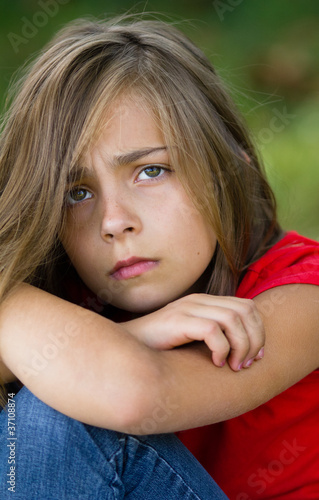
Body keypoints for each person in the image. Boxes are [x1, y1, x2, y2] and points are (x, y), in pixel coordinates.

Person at [0, 15, 318, 499]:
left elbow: (127, 393)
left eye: (151, 170)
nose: (113, 221)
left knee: (60, 403)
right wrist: (135, 333)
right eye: (76, 193)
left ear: (230, 166)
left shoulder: (302, 294)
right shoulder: (72, 300)